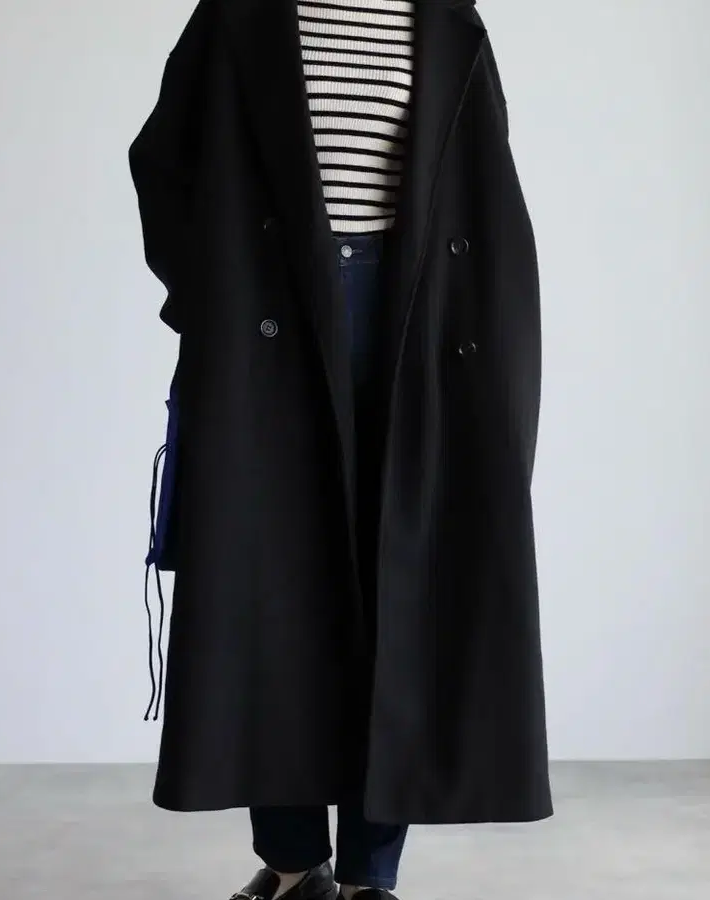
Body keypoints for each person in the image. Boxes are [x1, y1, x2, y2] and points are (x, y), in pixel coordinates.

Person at [128, 0, 552, 896]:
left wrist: (496, 355)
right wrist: (214, 299)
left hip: (415, 326)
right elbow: (161, 160)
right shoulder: (239, 14)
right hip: (273, 324)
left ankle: (368, 876)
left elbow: (484, 185)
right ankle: (293, 866)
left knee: (397, 595)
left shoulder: (446, 19)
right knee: (273, 589)